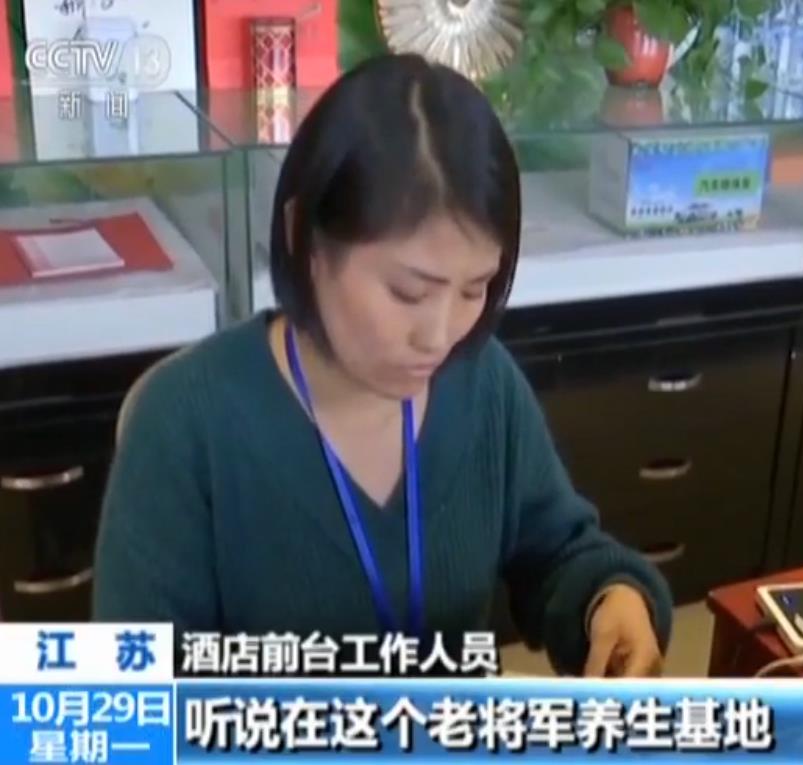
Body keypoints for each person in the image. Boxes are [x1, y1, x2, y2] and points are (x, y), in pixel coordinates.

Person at [93, 54, 673, 677]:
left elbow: (561, 551)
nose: (440, 335)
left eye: (474, 289)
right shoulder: (185, 425)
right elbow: (135, 693)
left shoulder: (483, 384)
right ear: (304, 236)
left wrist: (610, 599)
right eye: (408, 292)